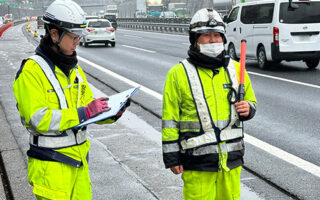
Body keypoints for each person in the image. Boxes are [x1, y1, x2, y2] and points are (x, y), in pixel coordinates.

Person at [13, 0, 128, 199]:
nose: (78, 41)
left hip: (80, 166)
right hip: (52, 170)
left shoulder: (74, 69)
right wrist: (84, 113)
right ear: (55, 34)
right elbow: (37, 119)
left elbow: (88, 108)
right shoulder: (31, 71)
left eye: (80, 36)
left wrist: (111, 112)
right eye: (74, 36)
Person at [162, 8, 257, 200]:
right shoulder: (178, 74)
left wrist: (248, 108)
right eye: (206, 36)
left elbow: (251, 102)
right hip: (197, 163)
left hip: (230, 161)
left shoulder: (237, 70)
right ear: (195, 40)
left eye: (217, 36)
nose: (213, 41)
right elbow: (170, 119)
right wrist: (172, 156)